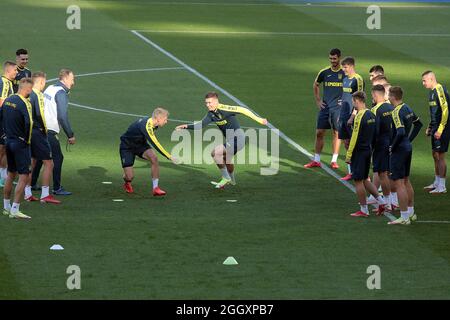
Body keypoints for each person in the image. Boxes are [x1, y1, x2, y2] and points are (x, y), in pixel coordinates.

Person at [176, 92, 268, 189]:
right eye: (206, 103)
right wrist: (185, 126)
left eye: (210, 103)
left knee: (215, 153)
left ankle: (225, 178)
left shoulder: (225, 108)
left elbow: (242, 110)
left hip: (238, 138)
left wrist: (259, 120)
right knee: (226, 159)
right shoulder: (210, 114)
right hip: (231, 140)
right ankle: (232, 181)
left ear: (216, 101)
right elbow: (200, 125)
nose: (207, 105)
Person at [36, 68, 76, 195]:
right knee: (57, 157)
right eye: (72, 79)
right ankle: (57, 187)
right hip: (49, 130)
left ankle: (31, 183)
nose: (73, 82)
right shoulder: (61, 93)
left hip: (40, 127)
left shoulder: (50, 87)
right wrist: (70, 135)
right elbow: (62, 116)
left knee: (38, 157)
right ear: (65, 79)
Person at [345, 91, 385, 218]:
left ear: (357, 101)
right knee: (365, 178)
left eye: (353, 101)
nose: (353, 104)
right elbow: (375, 134)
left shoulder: (360, 116)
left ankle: (364, 210)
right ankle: (382, 202)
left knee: (358, 180)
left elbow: (355, 136)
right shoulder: (371, 114)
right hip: (368, 150)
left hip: (359, 152)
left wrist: (349, 154)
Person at [120, 107, 177, 196]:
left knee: (154, 158)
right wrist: (169, 156)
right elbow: (155, 143)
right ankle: (127, 182)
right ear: (158, 119)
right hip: (127, 147)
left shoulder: (154, 124)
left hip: (140, 145)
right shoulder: (147, 126)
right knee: (129, 177)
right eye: (165, 119)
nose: (166, 121)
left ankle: (156, 188)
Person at [304, 48, 344, 169]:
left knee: (336, 132)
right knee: (319, 132)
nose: (332, 61)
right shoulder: (324, 72)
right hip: (325, 107)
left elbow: (352, 88)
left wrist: (346, 102)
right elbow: (316, 84)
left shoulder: (345, 73)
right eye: (331, 58)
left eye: (335, 58)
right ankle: (316, 160)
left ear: (339, 58)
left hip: (338, 108)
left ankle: (334, 160)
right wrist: (318, 100)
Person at [388, 86, 422, 225]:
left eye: (388, 95)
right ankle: (410, 212)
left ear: (393, 97)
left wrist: (392, 146)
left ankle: (404, 217)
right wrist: (409, 140)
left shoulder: (396, 112)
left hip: (399, 150)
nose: (388, 98)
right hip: (407, 148)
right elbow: (418, 124)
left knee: (399, 183)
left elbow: (400, 132)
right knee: (406, 180)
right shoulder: (407, 107)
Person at [26, 72, 61, 204]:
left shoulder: (28, 94)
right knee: (49, 163)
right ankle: (45, 195)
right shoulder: (38, 95)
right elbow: (40, 115)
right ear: (40, 82)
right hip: (38, 132)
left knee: (33, 162)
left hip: (29, 132)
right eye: (44, 82)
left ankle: (27, 193)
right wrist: (44, 130)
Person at [2, 78, 34, 219]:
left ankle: (6, 207)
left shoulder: (9, 99)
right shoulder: (24, 103)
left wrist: (5, 133)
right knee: (24, 175)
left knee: (11, 173)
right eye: (30, 90)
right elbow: (29, 123)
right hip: (20, 143)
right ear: (27, 89)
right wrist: (26, 140)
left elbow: (0, 116)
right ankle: (15, 209)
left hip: (8, 141)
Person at [422, 70, 449, 194]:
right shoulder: (432, 92)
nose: (423, 83)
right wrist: (430, 127)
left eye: (424, 80)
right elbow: (435, 112)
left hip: (442, 128)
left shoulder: (439, 89)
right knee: (435, 154)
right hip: (435, 127)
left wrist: (440, 129)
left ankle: (442, 186)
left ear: (431, 79)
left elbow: (445, 110)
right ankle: (437, 182)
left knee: (440, 156)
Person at [338, 57, 364, 181]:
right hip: (343, 116)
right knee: (347, 144)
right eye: (343, 67)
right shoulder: (344, 80)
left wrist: (353, 115)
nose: (343, 70)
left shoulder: (357, 79)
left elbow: (359, 99)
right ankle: (351, 172)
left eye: (345, 67)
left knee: (355, 144)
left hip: (351, 117)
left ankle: (358, 170)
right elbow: (345, 96)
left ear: (352, 66)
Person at [370, 85, 394, 212]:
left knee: (382, 174)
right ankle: (391, 202)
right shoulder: (392, 107)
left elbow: (375, 131)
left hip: (380, 145)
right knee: (389, 174)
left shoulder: (375, 110)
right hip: (393, 143)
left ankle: (388, 203)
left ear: (375, 95)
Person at [0, 61, 18, 187]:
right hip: (3, 121)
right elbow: (1, 103)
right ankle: (2, 176)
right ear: (8, 71)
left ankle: (3, 175)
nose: (17, 72)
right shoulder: (5, 83)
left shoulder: (7, 82)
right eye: (15, 70)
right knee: (2, 149)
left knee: (4, 149)